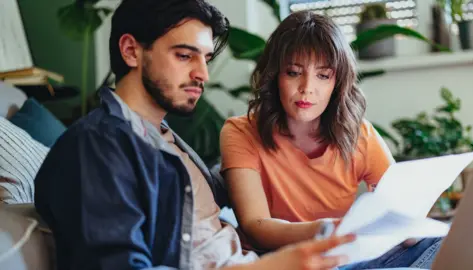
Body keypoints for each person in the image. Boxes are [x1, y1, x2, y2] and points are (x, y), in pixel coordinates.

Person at [33, 1, 357, 269]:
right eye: (185, 55)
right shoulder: (97, 146)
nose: (202, 73)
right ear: (131, 51)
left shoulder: (164, 139)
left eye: (206, 58)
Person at [219, 10, 442, 269]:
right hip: (286, 261)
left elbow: (401, 210)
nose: (307, 88)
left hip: (346, 255)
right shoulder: (240, 132)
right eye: (293, 72)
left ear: (337, 83)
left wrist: (407, 225)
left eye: (323, 75)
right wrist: (327, 230)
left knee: (441, 243)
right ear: (275, 76)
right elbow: (255, 226)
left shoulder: (359, 134)